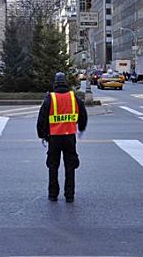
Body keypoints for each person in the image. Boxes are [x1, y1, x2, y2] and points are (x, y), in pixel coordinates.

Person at [36, 72, 88, 203]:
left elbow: (41, 119)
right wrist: (81, 128)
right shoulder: (73, 97)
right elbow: (83, 114)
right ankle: (69, 195)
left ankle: (53, 195)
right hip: (70, 137)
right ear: (66, 83)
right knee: (70, 166)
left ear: (55, 83)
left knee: (53, 166)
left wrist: (42, 135)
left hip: (54, 138)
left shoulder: (50, 98)